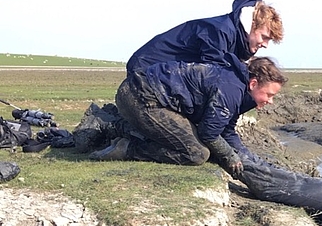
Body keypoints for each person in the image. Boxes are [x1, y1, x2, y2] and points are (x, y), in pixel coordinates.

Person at [89, 57, 288, 177]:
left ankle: (116, 126)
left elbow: (226, 129)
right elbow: (209, 133)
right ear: (253, 84)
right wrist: (228, 156)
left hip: (145, 94)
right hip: (142, 98)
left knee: (186, 139)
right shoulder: (232, 90)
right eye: (269, 94)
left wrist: (245, 155)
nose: (270, 101)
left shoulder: (239, 88)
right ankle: (128, 148)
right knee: (196, 153)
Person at [126, 0, 284, 75]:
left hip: (161, 68)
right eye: (264, 37)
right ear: (252, 25)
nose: (265, 45)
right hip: (146, 66)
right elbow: (211, 72)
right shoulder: (221, 31)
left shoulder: (234, 38)